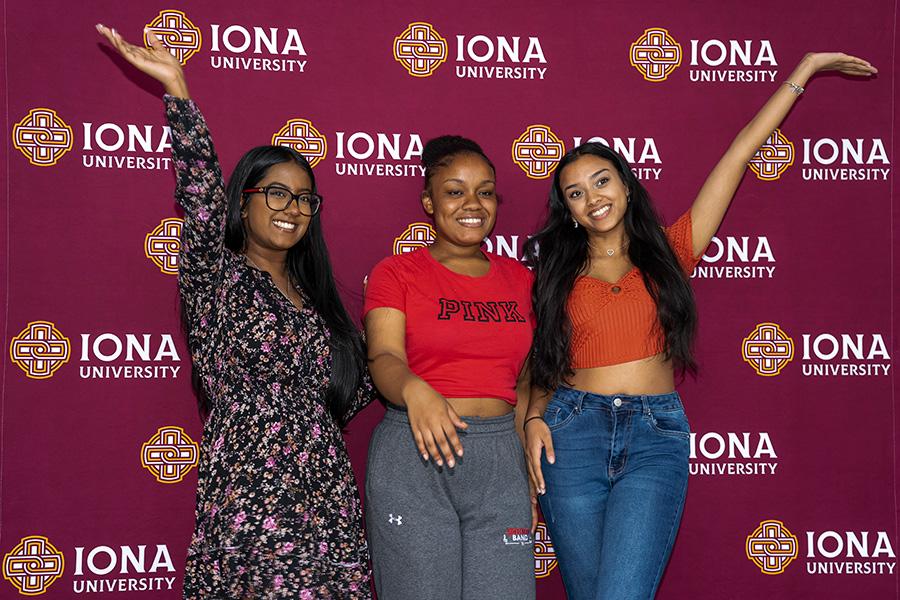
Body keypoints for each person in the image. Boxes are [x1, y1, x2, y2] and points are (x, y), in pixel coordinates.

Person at [522, 52, 876, 600]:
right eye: (576, 192)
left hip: (652, 437)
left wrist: (804, 72)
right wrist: (532, 422)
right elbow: (542, 360)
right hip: (571, 435)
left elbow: (739, 154)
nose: (593, 197)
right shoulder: (553, 274)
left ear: (627, 186)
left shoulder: (672, 249)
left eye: (602, 181)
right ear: (568, 210)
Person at [96, 25, 374, 599]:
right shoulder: (214, 274)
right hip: (250, 488)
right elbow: (198, 191)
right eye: (275, 192)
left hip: (325, 490)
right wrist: (178, 89)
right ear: (242, 203)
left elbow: (362, 383)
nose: (292, 209)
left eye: (304, 199)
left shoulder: (316, 300)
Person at [363, 136, 537, 599]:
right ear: (429, 201)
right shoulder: (395, 273)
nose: (472, 204)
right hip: (415, 455)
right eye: (455, 191)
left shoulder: (522, 281)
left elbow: (524, 381)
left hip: (500, 462)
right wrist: (415, 389)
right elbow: (383, 356)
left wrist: (522, 469)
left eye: (485, 191)